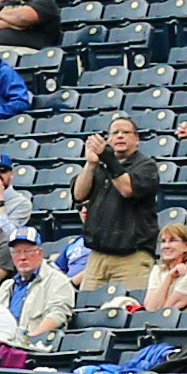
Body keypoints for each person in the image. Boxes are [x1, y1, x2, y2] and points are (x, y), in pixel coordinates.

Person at [72, 115, 160, 290]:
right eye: (115, 133)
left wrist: (108, 158)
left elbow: (127, 189)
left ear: (136, 139)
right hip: (97, 257)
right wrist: (91, 164)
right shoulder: (100, 166)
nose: (120, 136)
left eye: (126, 132)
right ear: (109, 139)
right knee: (87, 309)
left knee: (126, 308)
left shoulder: (146, 166)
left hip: (131, 258)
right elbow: (79, 194)